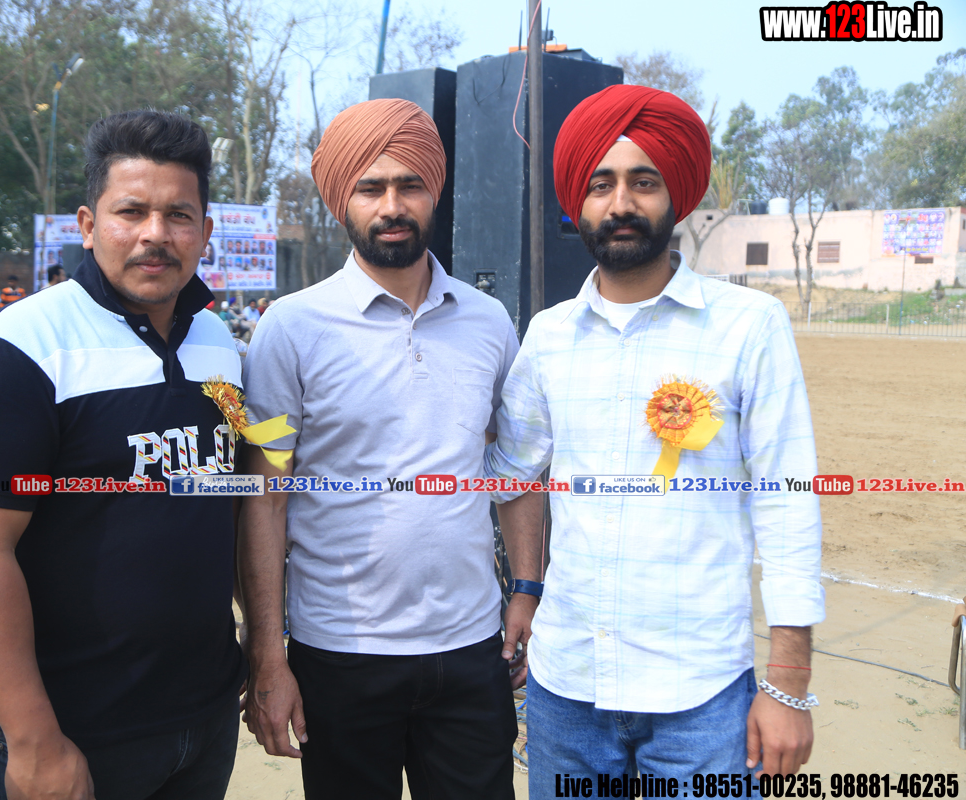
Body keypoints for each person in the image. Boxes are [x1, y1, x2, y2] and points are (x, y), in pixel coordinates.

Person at [483, 84, 824, 796]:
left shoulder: (749, 325)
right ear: (577, 203)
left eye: (644, 182)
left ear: (677, 196)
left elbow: (787, 500)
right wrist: (526, 588)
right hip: (566, 687)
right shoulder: (548, 337)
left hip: (702, 695)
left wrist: (789, 682)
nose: (621, 203)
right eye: (601, 184)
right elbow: (513, 473)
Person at [0, 109, 247, 800]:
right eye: (130, 211)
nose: (155, 234)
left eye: (178, 215)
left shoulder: (220, 344)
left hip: (204, 719)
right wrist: (33, 739)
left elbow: (235, 499)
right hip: (74, 732)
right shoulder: (18, 349)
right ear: (87, 224)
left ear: (205, 232)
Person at [240, 97, 522, 800]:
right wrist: (267, 657)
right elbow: (265, 498)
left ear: (435, 192)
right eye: (371, 188)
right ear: (343, 199)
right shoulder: (289, 329)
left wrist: (527, 590)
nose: (392, 206)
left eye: (409, 185)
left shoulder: (489, 322)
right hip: (339, 653)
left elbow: (515, 469)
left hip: (471, 648)